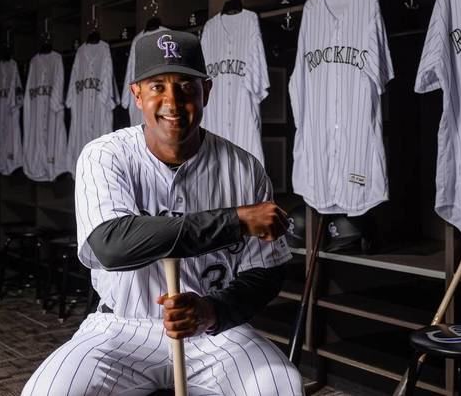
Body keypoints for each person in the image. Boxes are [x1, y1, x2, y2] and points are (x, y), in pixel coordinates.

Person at [22, 30, 303, 396]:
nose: (172, 100)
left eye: (186, 86)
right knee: (47, 392)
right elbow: (111, 245)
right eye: (157, 86)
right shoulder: (106, 155)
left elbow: (266, 271)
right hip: (122, 329)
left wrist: (212, 310)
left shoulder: (244, 169)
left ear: (207, 91)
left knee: (281, 385)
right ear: (137, 94)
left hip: (210, 333)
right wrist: (235, 221)